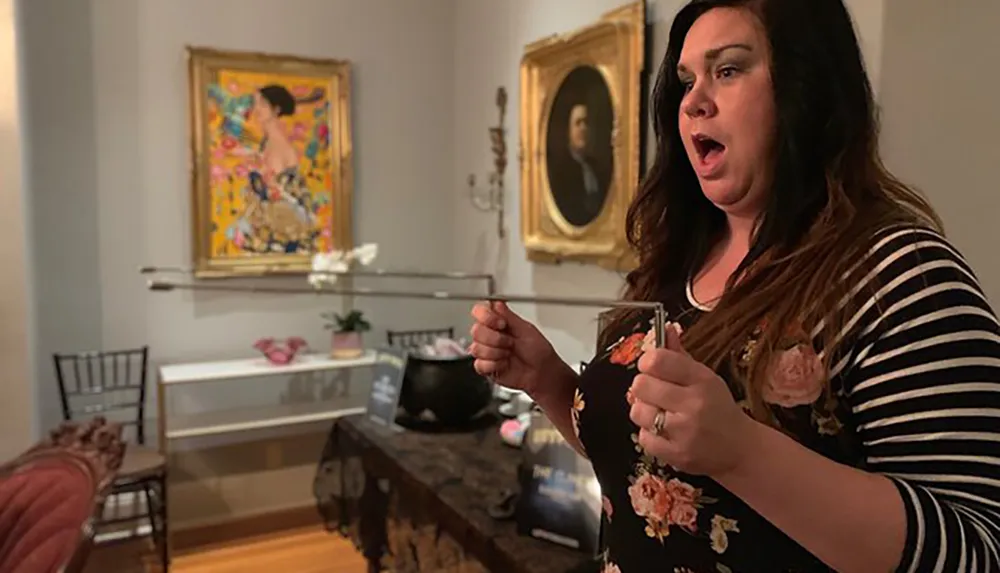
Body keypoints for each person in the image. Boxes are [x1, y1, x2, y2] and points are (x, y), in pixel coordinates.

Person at [468, 1, 1000, 571]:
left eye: (728, 70)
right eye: (686, 80)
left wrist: (742, 453)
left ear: (805, 87)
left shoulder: (899, 272)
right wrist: (549, 381)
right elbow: (650, 468)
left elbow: (977, 547)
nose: (694, 100)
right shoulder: (680, 260)